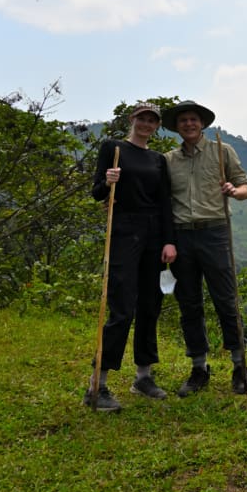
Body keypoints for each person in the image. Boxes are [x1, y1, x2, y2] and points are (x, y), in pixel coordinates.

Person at [85, 102, 177, 412]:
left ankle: (143, 377)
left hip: (153, 235)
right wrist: (108, 181)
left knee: (150, 305)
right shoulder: (113, 148)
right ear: (132, 120)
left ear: (156, 126)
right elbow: (97, 193)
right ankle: (97, 385)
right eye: (142, 119)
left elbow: (164, 202)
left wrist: (169, 241)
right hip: (124, 231)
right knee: (122, 308)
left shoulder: (158, 160)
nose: (146, 124)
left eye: (152, 121)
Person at [161, 100, 247, 396]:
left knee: (226, 299)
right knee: (189, 303)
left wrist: (234, 191)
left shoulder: (222, 151)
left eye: (193, 119)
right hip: (181, 236)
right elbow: (160, 199)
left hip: (215, 232)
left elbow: (245, 187)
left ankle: (239, 366)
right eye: (183, 120)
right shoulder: (168, 160)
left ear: (202, 124)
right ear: (177, 127)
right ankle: (199, 368)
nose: (189, 124)